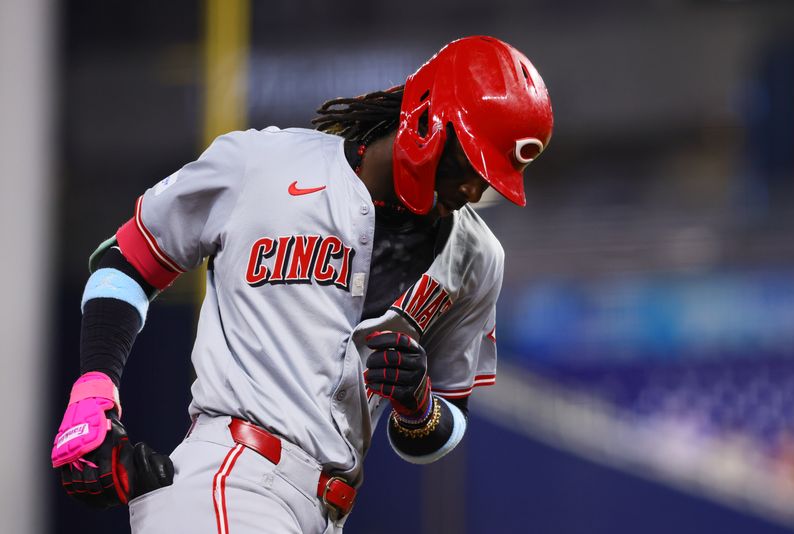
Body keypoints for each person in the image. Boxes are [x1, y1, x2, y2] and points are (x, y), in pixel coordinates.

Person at [51, 35, 553, 533]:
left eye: (491, 176)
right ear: (426, 116)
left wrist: (418, 406)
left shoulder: (477, 257)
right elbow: (128, 260)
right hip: (231, 481)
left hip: (323, 514)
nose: (474, 188)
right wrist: (93, 390)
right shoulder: (264, 165)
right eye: (470, 161)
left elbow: (448, 425)